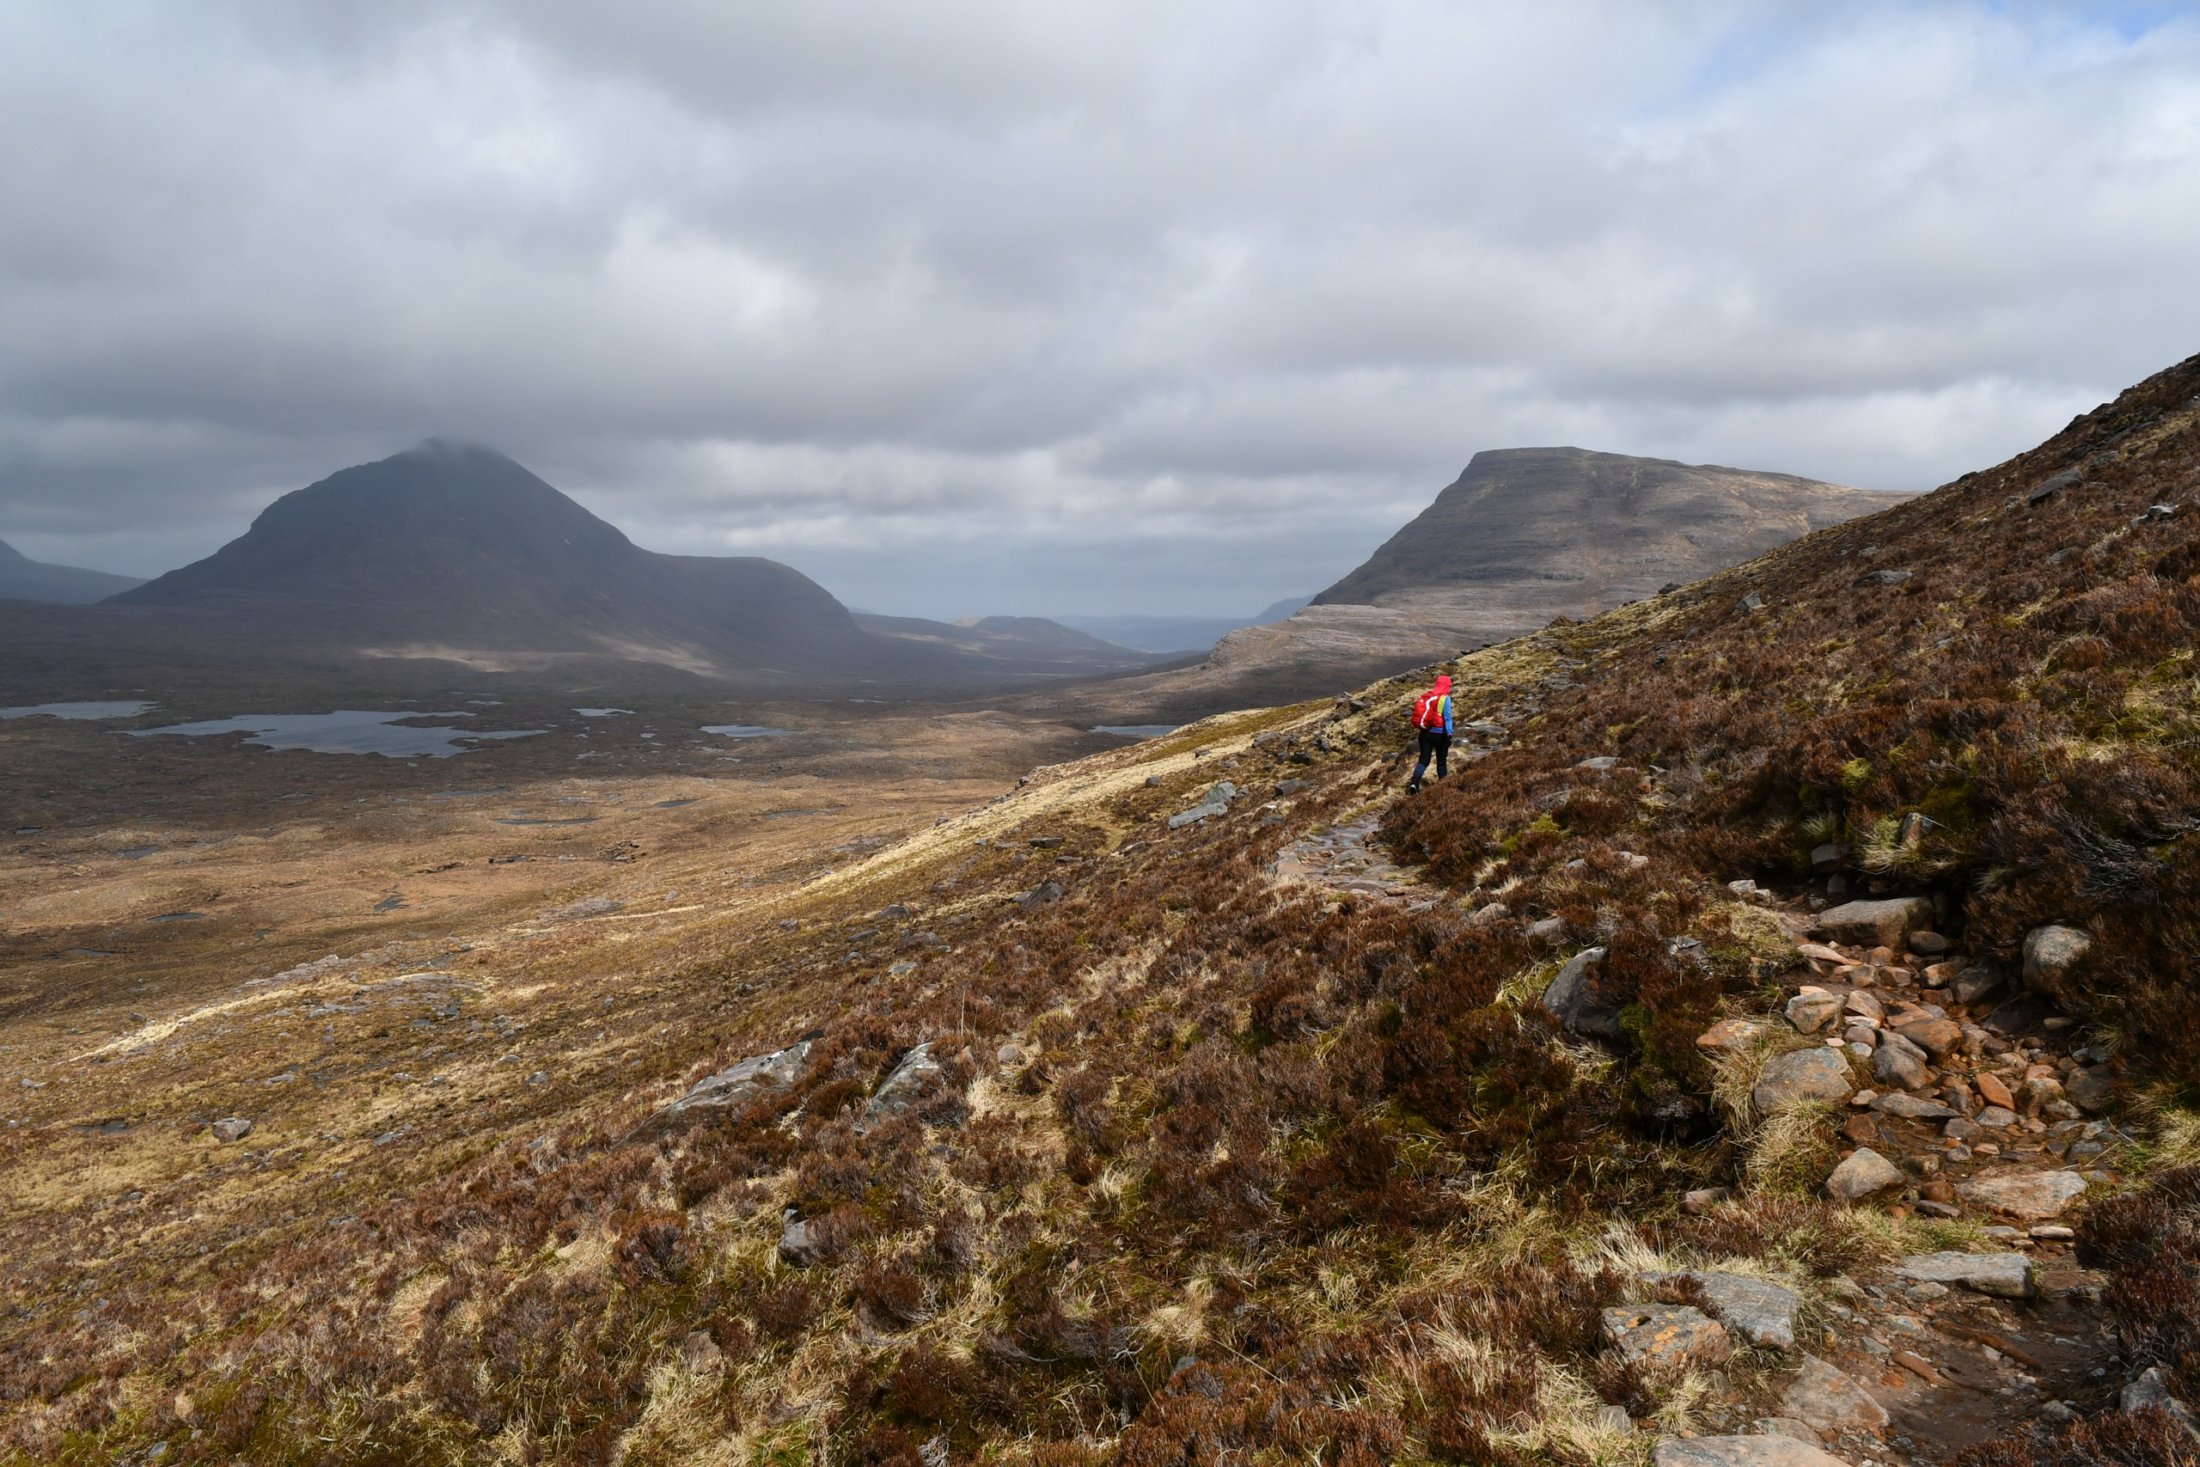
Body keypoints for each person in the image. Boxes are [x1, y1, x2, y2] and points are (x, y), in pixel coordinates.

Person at [1407, 673, 1454, 794]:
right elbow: (1448, 718)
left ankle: (1414, 783)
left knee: (1424, 759)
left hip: (1425, 733)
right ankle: (1443, 787)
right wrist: (1449, 734)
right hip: (1440, 734)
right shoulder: (1445, 698)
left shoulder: (1429, 696)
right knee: (1441, 760)